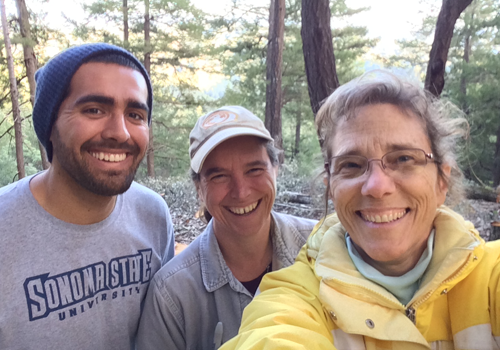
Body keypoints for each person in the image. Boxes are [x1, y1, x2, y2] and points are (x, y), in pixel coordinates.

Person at [220, 71, 500, 349]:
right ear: (331, 187)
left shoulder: (490, 280)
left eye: (404, 158)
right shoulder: (296, 295)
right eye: (351, 165)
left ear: (442, 180)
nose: (377, 186)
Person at [0, 43, 175, 350]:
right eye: (94, 110)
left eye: (135, 114)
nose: (119, 132)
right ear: (50, 124)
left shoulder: (153, 216)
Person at [136, 106, 317, 349]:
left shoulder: (321, 248)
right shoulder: (173, 295)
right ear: (199, 188)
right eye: (219, 176)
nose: (241, 192)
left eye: (254, 169)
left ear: (276, 169)